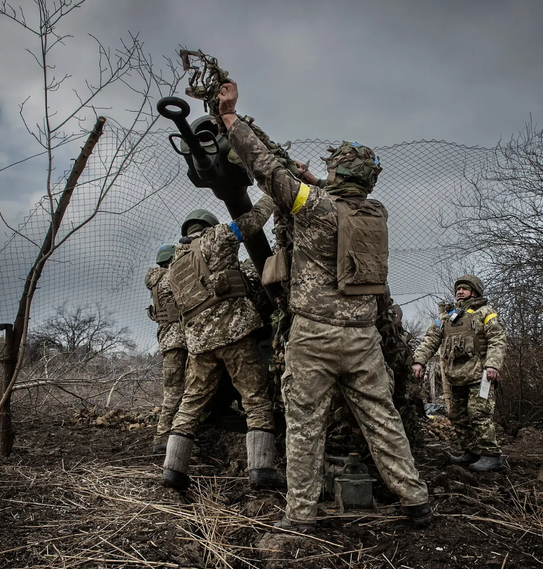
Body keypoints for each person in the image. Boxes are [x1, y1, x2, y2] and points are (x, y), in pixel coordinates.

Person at [218, 80, 431, 533]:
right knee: (382, 419)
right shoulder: (376, 213)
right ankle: (415, 501)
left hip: (313, 336)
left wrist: (231, 118)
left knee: (304, 426)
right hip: (363, 337)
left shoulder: (312, 207)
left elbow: (264, 170)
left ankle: (301, 516)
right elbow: (334, 199)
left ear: (336, 175)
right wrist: (317, 181)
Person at [161, 205, 285, 491]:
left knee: (190, 404)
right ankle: (261, 469)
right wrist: (272, 193)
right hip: (234, 335)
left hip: (198, 345)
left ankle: (172, 470)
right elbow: (252, 221)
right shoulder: (217, 237)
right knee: (255, 400)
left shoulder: (176, 262)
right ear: (209, 225)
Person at [412, 275, 508, 472]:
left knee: (478, 414)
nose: (459, 292)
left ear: (475, 292)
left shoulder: (485, 313)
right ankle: (471, 451)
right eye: (458, 289)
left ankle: (491, 455)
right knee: (457, 415)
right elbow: (430, 340)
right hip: (455, 377)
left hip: (480, 376)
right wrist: (418, 361)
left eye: (464, 288)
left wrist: (493, 365)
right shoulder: (447, 318)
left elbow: (497, 339)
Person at [145, 244, 187, 454]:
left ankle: (167, 434)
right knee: (174, 391)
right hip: (178, 339)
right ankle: (163, 436)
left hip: (168, 341)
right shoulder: (170, 278)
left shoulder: (155, 280)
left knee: (174, 389)